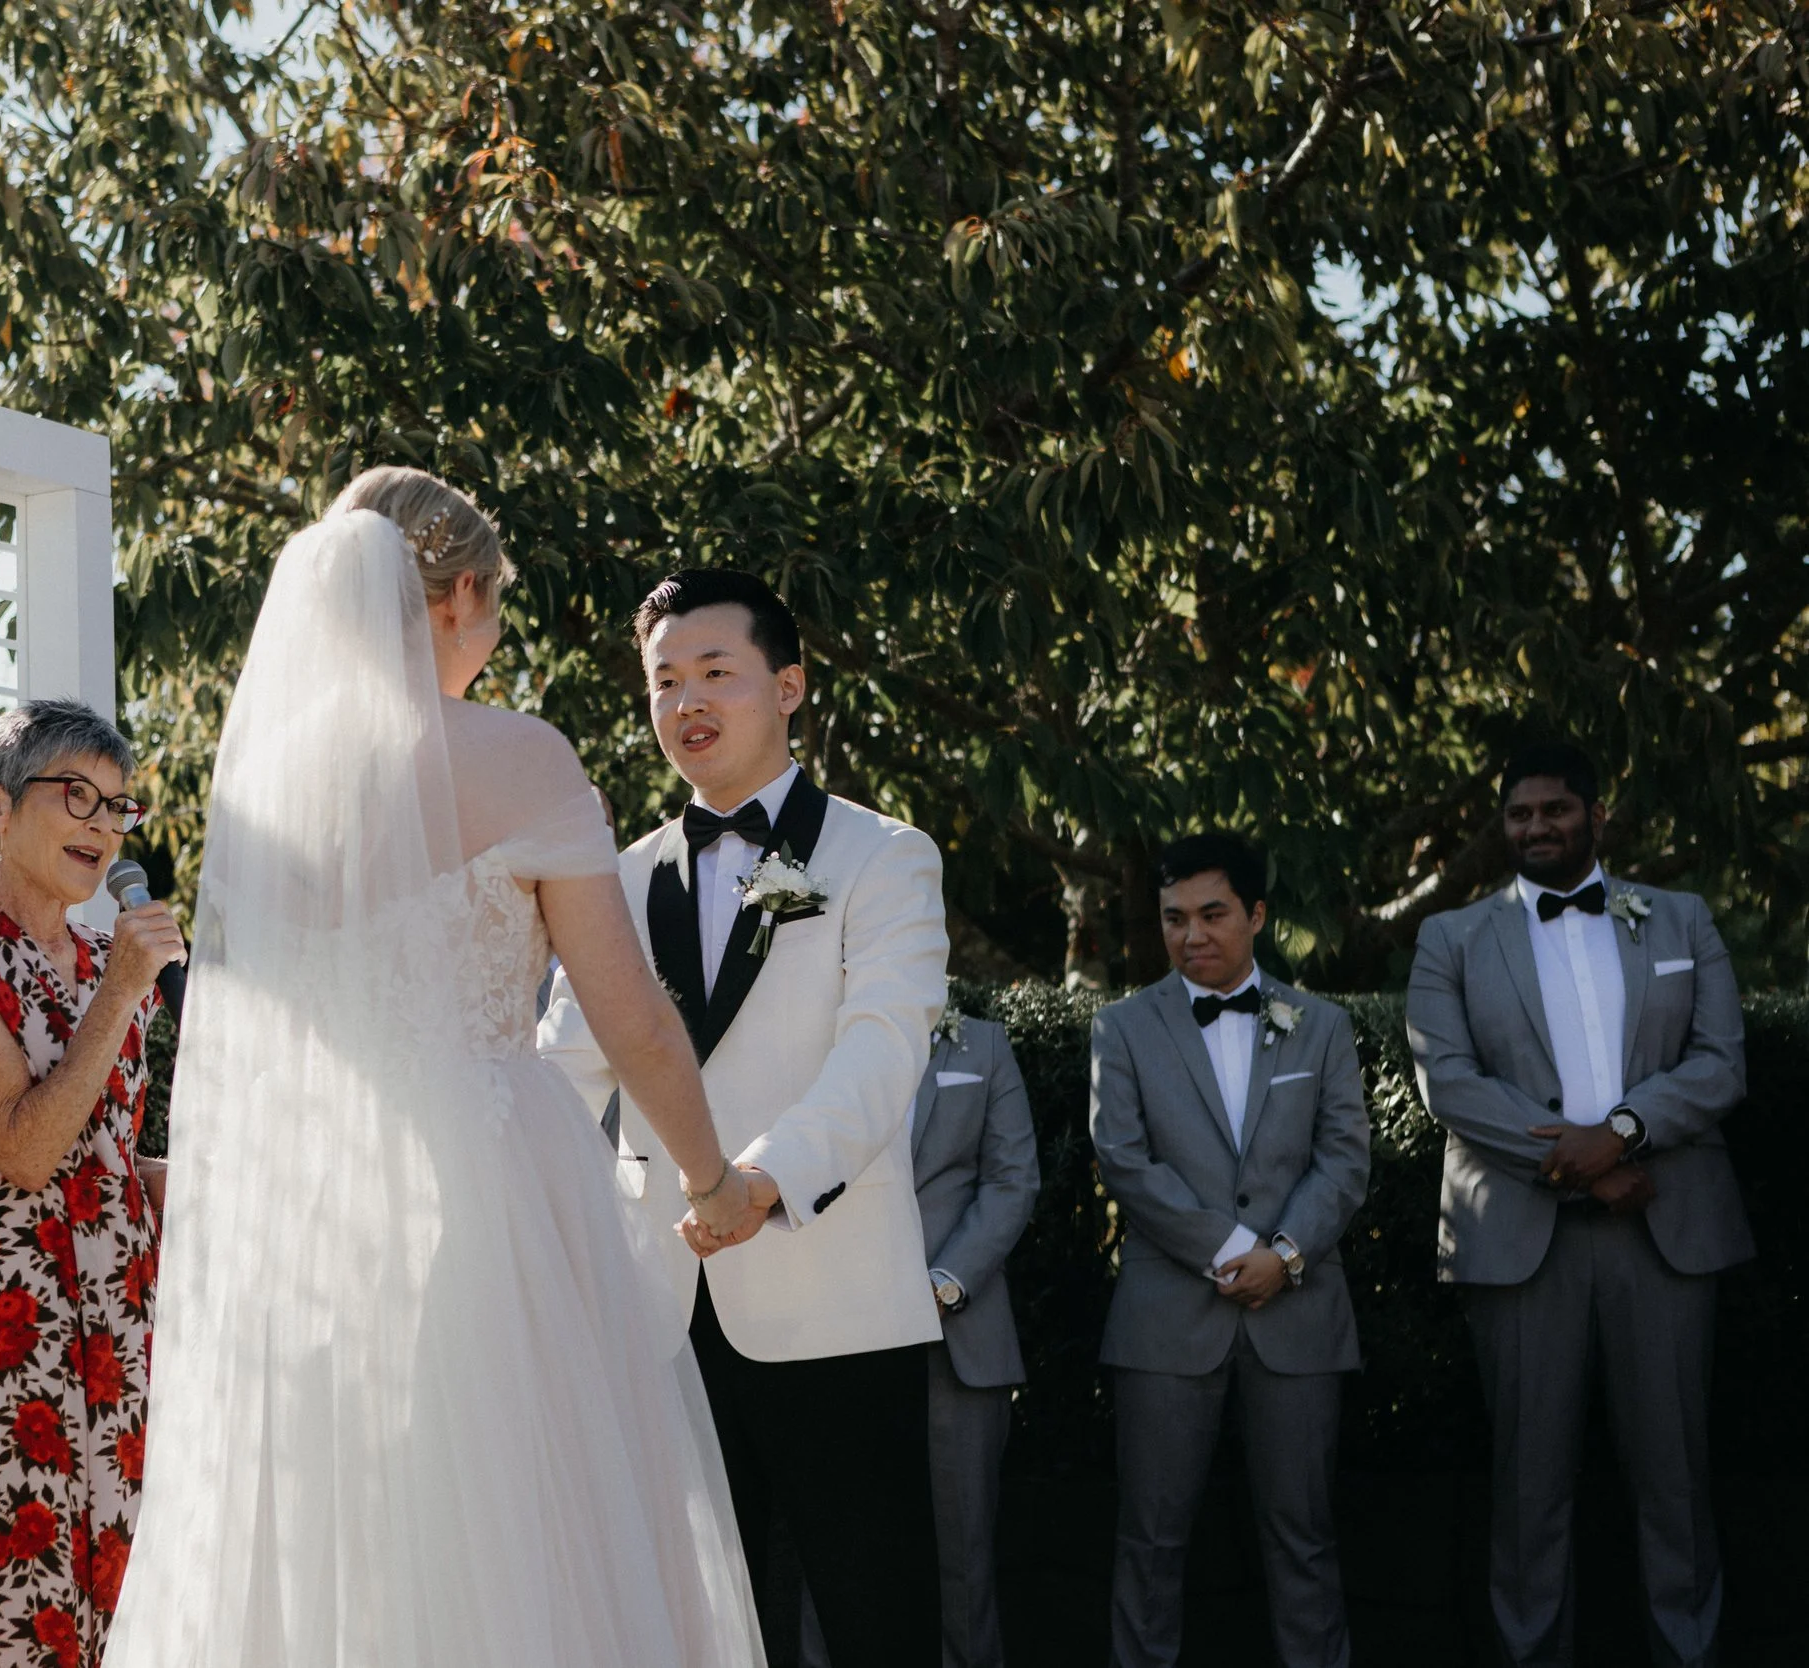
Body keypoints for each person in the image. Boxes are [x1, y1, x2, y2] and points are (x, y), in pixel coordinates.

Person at [107, 469, 763, 1667]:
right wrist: (712, 1179)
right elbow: (634, 1020)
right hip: (491, 1179)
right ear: (460, 595)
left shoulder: (276, 781)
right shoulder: (520, 755)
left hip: (315, 1202)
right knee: (525, 1518)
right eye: (495, 604)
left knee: (339, 1523)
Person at [541, 569, 952, 1668]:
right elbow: (562, 1072)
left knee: (879, 1622)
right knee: (694, 1631)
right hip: (658, 1315)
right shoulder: (616, 879)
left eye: (715, 672)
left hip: (834, 1303)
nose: (687, 701)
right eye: (663, 680)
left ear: (791, 686)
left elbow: (883, 1046)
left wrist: (759, 1181)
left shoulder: (881, 855)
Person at [1406, 742, 1749, 1668]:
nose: (1535, 828)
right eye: (1519, 815)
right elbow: (1450, 1083)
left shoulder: (1680, 919)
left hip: (1665, 1228)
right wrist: (1587, 1166)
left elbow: (1721, 1064)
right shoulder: (1451, 938)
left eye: (1555, 810)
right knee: (1527, 1485)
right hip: (1523, 1240)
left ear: (1597, 816)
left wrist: (1626, 1130)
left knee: (1677, 1482)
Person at [0, 699, 188, 1668]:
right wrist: (119, 996)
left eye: (117, 806)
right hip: (11, 1324)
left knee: (141, 1589)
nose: (103, 826)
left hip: (124, 1321)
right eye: (77, 796)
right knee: (15, 1601)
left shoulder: (112, 961)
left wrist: (213, 1175)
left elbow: (105, 1153)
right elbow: (26, 1151)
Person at [1088, 833, 1369, 1668]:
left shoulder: (1322, 1026)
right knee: (1149, 1540)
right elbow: (1123, 1162)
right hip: (1165, 1321)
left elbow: (1346, 1159)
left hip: (1301, 1311)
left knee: (1306, 1538)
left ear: (1256, 914)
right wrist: (1235, 1248)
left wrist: (1284, 1255)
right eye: (1174, 918)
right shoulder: (1122, 1028)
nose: (1192, 936)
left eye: (1213, 914)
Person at [800, 1009, 1041, 1668]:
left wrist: (944, 1284)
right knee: (832, 1547)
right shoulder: (808, 1031)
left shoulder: (983, 1043)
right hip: (833, 1333)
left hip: (955, 1341)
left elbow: (1012, 1179)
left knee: (964, 1557)